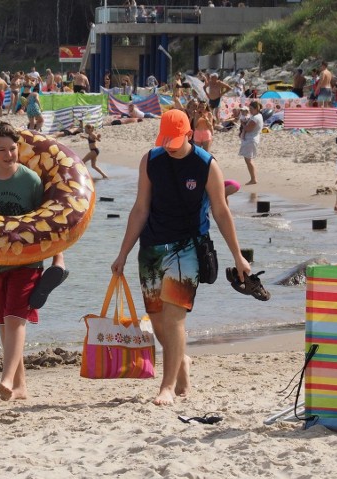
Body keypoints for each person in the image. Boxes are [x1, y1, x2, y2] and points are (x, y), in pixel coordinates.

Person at [111, 109, 251, 406]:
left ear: (189, 134)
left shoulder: (206, 165)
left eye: (175, 141)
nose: (170, 147)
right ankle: (181, 361)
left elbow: (222, 212)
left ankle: (167, 386)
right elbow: (140, 209)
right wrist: (122, 253)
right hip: (151, 247)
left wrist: (238, 256)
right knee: (159, 320)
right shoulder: (151, 160)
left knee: (174, 319)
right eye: (166, 141)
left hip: (188, 246)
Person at [0, 122, 67, 401]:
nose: (9, 154)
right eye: (2, 149)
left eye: (13, 149)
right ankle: (21, 386)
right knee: (6, 324)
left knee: (15, 320)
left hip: (28, 262)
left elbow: (48, 221)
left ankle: (7, 378)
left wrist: (57, 259)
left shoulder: (31, 181)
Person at [239, 100, 263, 185]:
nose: (250, 111)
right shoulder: (257, 116)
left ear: (256, 109)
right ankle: (253, 178)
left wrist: (242, 123)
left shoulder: (256, 118)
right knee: (248, 159)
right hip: (251, 139)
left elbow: (248, 129)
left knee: (248, 160)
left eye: (251, 109)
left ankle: (253, 179)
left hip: (251, 139)